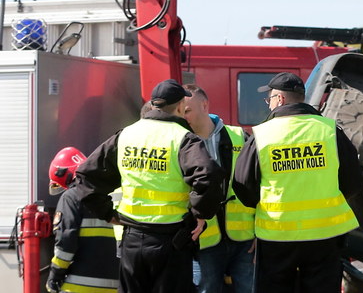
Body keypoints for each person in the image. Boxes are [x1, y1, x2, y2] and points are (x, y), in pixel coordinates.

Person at [75, 79, 225, 293]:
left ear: (154, 104)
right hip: (171, 240)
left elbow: (86, 176)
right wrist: (200, 214)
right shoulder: (183, 138)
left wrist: (107, 213)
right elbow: (209, 177)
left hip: (132, 238)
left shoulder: (126, 134)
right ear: (181, 105)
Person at [232, 72, 363, 293]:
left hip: (277, 233)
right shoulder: (329, 130)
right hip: (326, 234)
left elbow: (243, 183)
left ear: (280, 100)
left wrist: (261, 205)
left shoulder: (263, 135)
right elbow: (352, 180)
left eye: (270, 99)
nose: (269, 104)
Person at [182, 84, 256, 293]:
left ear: (204, 105)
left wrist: (260, 231)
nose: (183, 116)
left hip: (244, 238)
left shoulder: (239, 136)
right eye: (180, 111)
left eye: (187, 110)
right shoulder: (180, 142)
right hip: (204, 241)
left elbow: (260, 185)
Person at [46, 147, 120, 293]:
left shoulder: (71, 197)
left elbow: (66, 240)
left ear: (65, 174)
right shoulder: (115, 194)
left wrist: (54, 275)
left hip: (78, 286)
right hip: (116, 285)